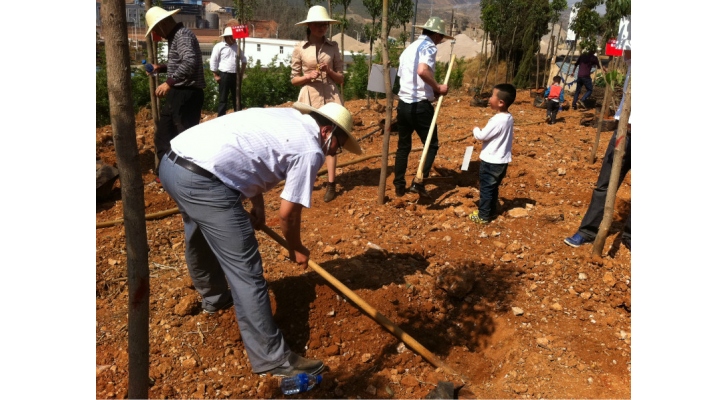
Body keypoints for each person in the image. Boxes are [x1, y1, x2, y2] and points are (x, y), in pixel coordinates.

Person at [158, 102, 362, 377]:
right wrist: (296, 247)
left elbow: (250, 155)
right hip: (206, 180)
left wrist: (258, 207)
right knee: (246, 271)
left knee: (198, 233)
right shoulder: (310, 149)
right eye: (338, 144)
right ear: (326, 130)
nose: (335, 152)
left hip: (173, 163)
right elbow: (288, 215)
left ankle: (215, 298)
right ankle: (272, 359)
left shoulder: (287, 117)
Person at [564, 47, 631, 251]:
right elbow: (627, 50)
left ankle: (630, 237)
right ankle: (588, 231)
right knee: (605, 184)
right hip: (624, 132)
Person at [393, 16, 453, 198]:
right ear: (436, 35)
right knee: (432, 145)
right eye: (441, 37)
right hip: (420, 106)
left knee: (403, 146)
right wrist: (438, 88)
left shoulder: (408, 49)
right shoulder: (429, 47)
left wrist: (430, 91)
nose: (441, 40)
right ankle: (418, 182)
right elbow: (422, 71)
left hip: (403, 104)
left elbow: (406, 77)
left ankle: (399, 185)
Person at [290, 6, 345, 203]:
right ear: (309, 26)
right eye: (318, 24)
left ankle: (331, 184)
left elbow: (341, 79)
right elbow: (293, 79)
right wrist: (307, 76)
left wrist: (329, 71)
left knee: (331, 141)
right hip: (309, 98)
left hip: (330, 97)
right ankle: (306, 180)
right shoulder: (300, 48)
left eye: (325, 24)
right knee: (308, 139)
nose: (322, 27)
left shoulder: (333, 47)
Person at [144, 6, 205, 169]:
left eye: (157, 30)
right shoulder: (176, 36)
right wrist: (161, 68)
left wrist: (169, 83)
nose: (159, 35)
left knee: (184, 137)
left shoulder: (182, 35)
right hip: (178, 93)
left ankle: (188, 173)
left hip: (187, 94)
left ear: (162, 24)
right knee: (163, 136)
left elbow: (190, 62)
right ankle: (167, 171)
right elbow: (180, 62)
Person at [469, 84, 517, 225]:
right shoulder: (508, 117)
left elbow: (482, 136)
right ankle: (492, 210)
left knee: (485, 189)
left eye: (492, 96)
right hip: (502, 161)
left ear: (501, 102)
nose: (489, 98)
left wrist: (475, 129)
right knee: (493, 187)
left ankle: (483, 216)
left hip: (491, 162)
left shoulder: (497, 120)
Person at [210, 26, 246, 117]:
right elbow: (213, 60)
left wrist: (241, 73)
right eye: (232, 36)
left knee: (236, 97)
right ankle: (221, 117)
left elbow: (244, 60)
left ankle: (238, 115)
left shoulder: (237, 47)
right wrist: (215, 75)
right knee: (223, 98)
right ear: (227, 37)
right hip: (224, 75)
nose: (234, 38)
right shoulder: (219, 46)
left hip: (235, 75)